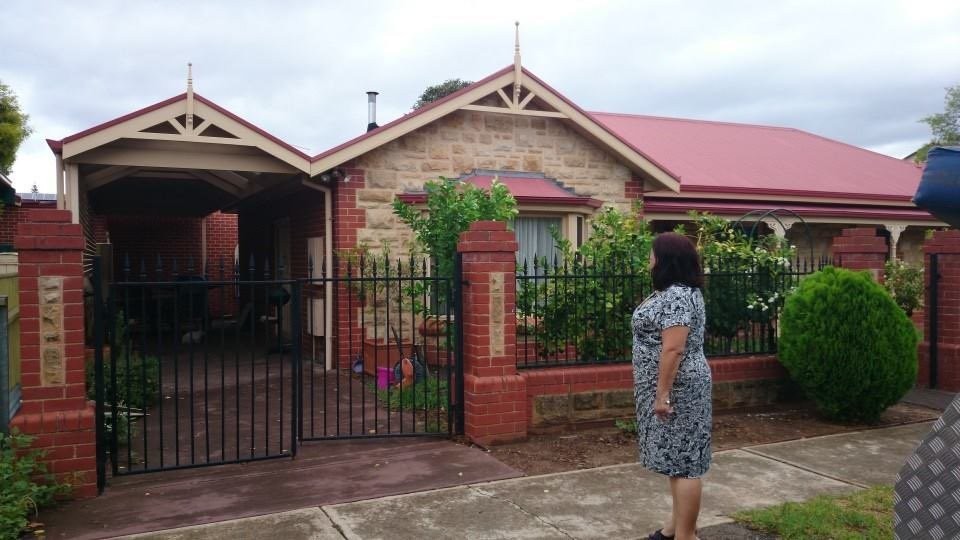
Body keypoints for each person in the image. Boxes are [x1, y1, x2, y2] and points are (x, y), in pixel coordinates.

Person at [632, 232, 711, 540]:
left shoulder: (677, 295)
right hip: (673, 386)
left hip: (680, 389)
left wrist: (662, 393)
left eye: (652, 255)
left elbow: (673, 349)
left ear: (665, 259)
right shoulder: (676, 292)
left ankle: (686, 535)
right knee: (675, 459)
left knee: (686, 462)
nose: (649, 261)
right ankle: (673, 528)